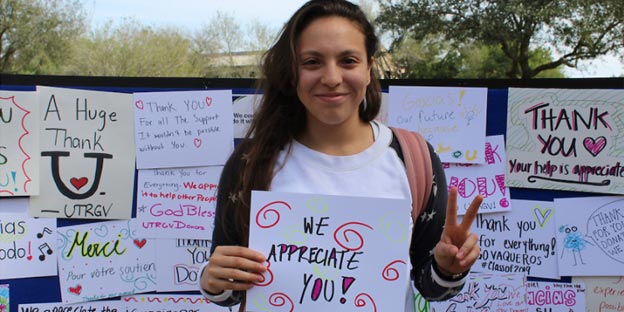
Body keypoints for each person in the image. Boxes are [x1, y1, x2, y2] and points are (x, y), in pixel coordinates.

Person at [198, 0, 483, 310]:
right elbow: (232, 291)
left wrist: (448, 269)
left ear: (369, 67)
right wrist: (213, 280)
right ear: (292, 72)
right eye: (312, 62)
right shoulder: (251, 162)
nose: (332, 78)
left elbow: (431, 289)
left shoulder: (413, 158)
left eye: (348, 60)